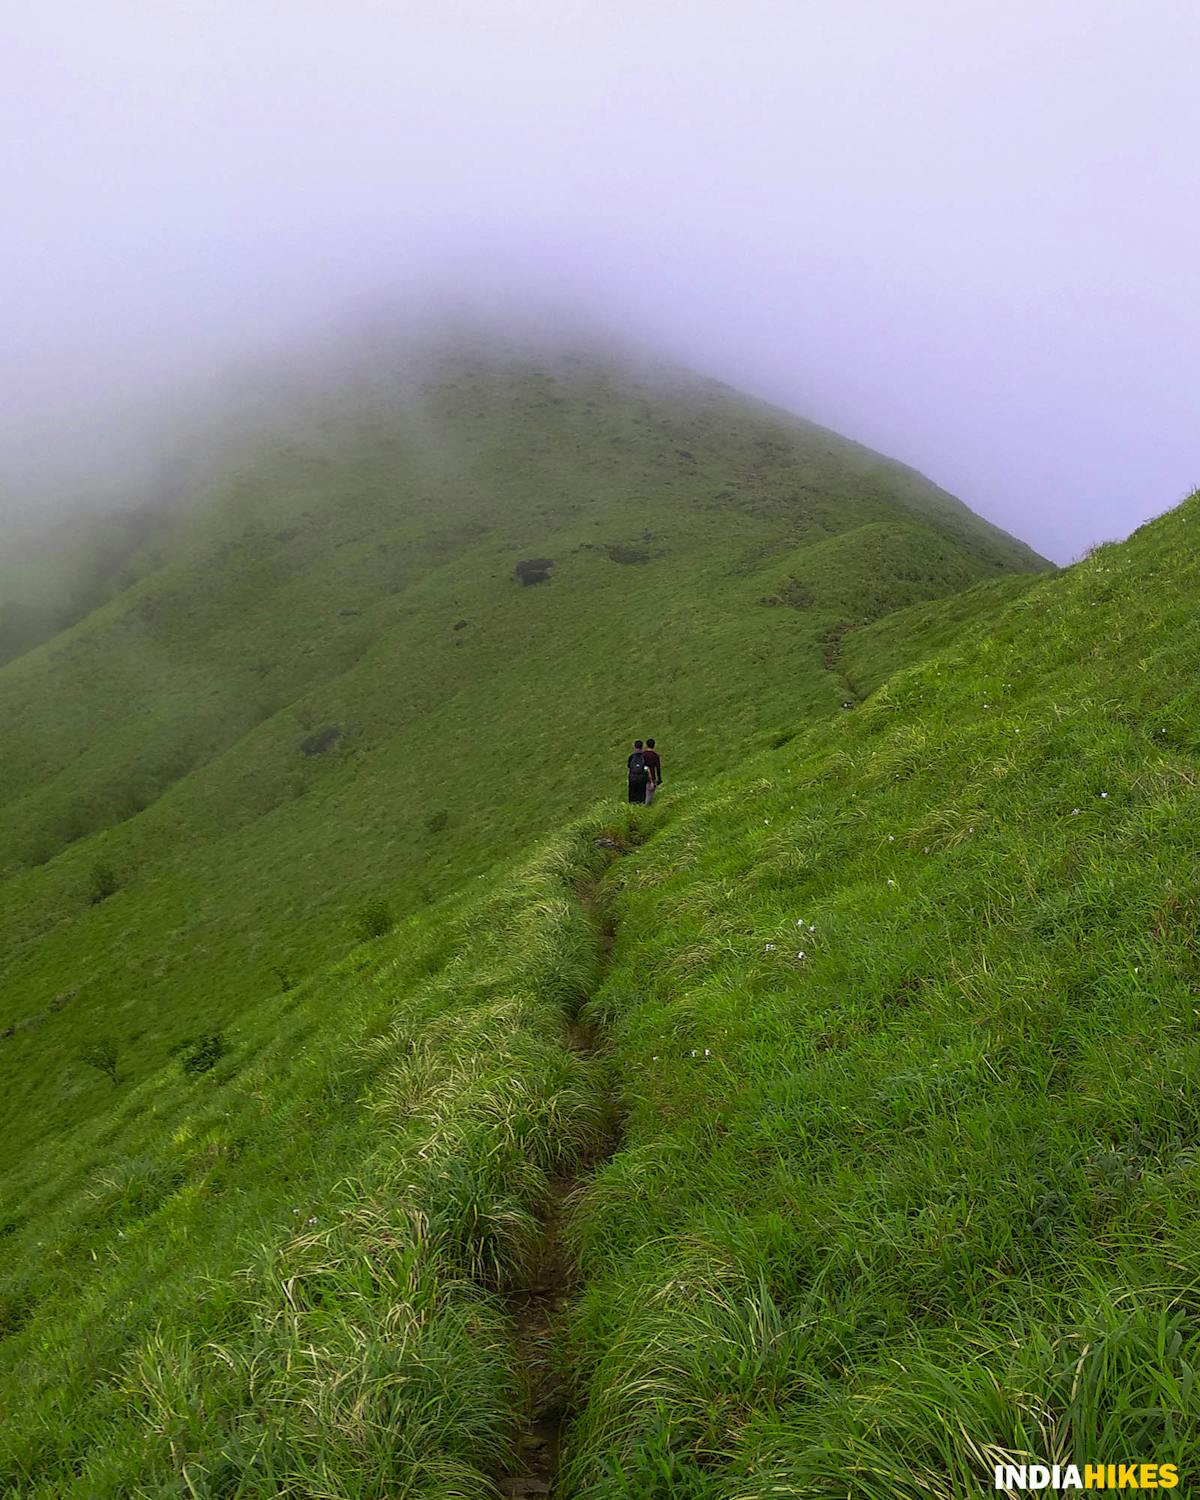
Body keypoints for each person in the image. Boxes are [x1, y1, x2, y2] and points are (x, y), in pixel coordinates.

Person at [642, 738, 663, 804]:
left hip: (642, 775)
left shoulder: (643, 754)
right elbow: (658, 768)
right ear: (654, 745)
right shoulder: (655, 755)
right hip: (652, 775)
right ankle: (647, 805)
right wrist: (659, 778)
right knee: (649, 794)